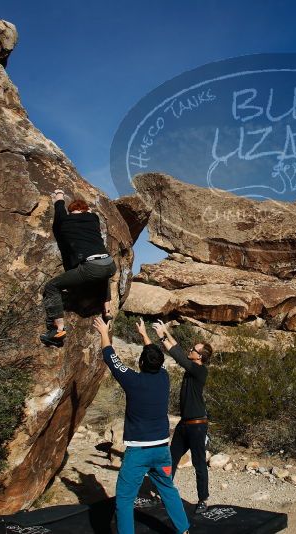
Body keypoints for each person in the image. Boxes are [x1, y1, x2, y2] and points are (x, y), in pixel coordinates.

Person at [93, 316, 190, 534]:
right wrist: (145, 336)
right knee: (168, 490)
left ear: (141, 363)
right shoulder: (164, 378)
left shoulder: (133, 381)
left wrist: (103, 333)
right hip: (162, 450)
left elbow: (111, 358)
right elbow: (154, 358)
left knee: (125, 500)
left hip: (138, 452)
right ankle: (183, 530)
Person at [144, 319, 213, 515]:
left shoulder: (200, 370)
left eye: (194, 349)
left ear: (200, 357)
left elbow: (180, 356)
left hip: (198, 425)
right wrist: (164, 333)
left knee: (199, 464)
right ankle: (161, 494)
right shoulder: (192, 367)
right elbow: (178, 352)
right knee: (171, 459)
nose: (191, 349)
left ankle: (203, 499)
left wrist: (164, 335)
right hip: (185, 424)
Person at [40, 188, 116, 347]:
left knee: (51, 286)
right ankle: (107, 311)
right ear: (85, 210)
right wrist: (86, 209)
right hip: (109, 264)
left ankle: (57, 329)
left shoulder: (65, 221)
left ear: (71, 211)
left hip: (92, 267)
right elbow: (90, 211)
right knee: (102, 276)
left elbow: (59, 209)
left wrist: (59, 195)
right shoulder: (93, 218)